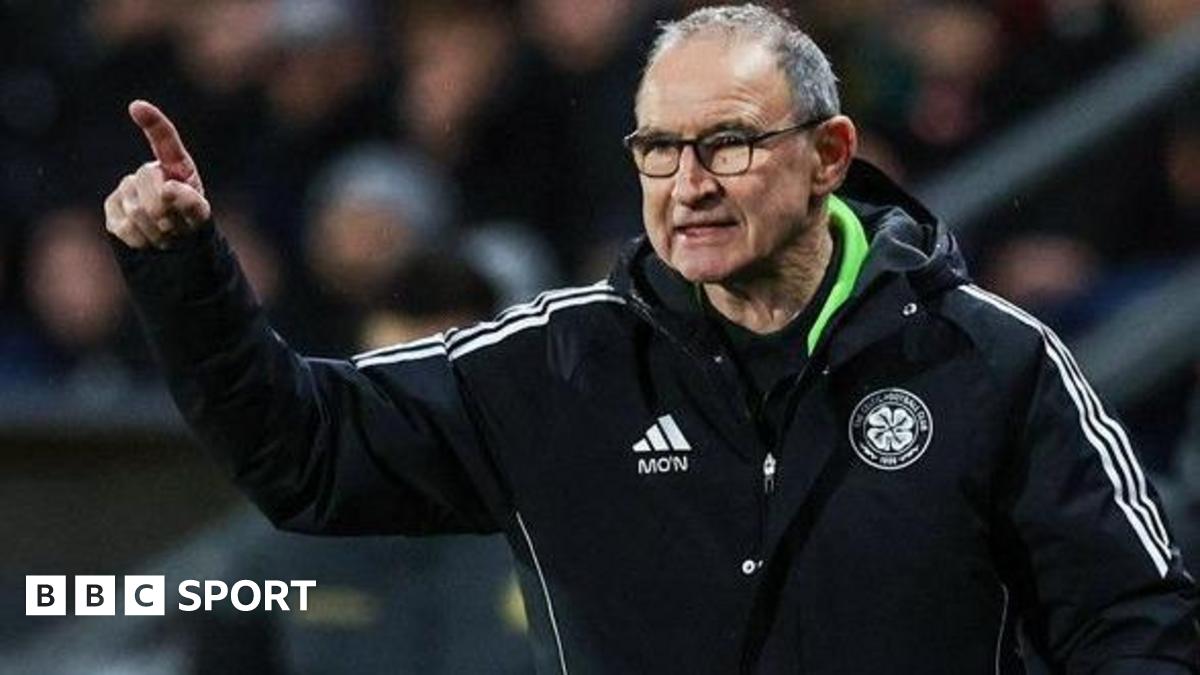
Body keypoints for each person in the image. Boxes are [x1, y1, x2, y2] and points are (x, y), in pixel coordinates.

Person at [104, 4, 1197, 673]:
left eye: (729, 143)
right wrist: (183, 270)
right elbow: (303, 452)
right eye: (659, 149)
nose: (689, 184)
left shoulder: (993, 362)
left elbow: (1137, 622)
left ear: (830, 155)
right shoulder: (553, 368)